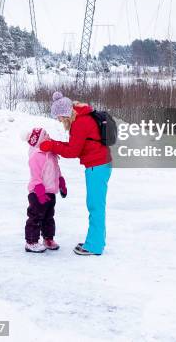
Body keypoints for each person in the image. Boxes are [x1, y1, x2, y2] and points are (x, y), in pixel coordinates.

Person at [40, 92, 112, 256]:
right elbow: (75, 146)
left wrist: (51, 145)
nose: (58, 120)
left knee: (95, 206)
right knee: (95, 205)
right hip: (99, 164)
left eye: (59, 117)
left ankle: (94, 245)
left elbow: (72, 151)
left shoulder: (80, 123)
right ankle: (96, 240)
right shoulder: (82, 117)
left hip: (98, 166)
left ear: (65, 113)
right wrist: (54, 144)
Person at [24, 127, 67, 253]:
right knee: (35, 217)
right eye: (45, 135)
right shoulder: (36, 156)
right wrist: (40, 194)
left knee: (49, 217)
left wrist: (61, 183)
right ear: (38, 140)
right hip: (38, 194)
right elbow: (36, 177)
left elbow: (56, 171)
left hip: (50, 192)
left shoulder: (52, 153)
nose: (48, 136)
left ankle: (48, 239)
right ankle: (31, 241)